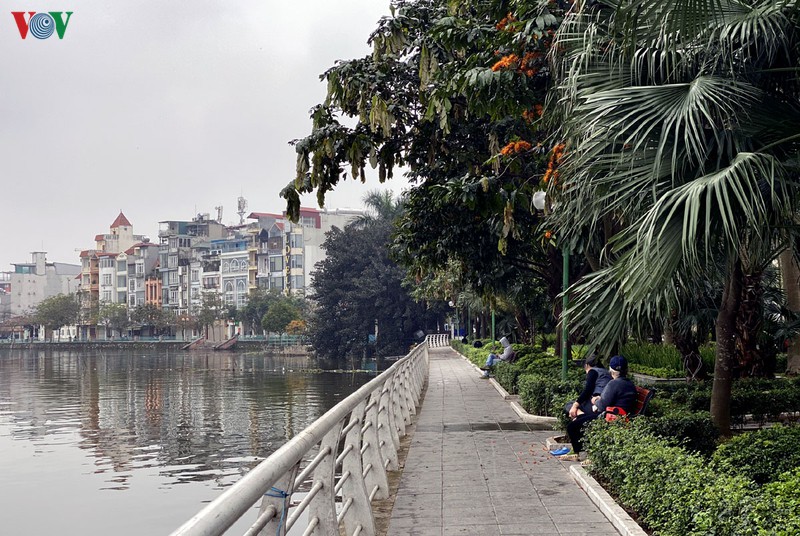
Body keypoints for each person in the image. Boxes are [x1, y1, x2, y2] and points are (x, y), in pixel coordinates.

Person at [554, 355, 637, 460]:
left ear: (611, 370)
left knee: (572, 426)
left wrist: (596, 400)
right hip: (621, 415)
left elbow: (600, 406)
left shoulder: (614, 383)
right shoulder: (629, 384)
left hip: (611, 416)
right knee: (580, 420)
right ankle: (581, 452)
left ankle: (578, 454)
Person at [564, 352, 612, 419]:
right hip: (608, 402)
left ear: (587, 365)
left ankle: (582, 417)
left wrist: (575, 405)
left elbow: (588, 390)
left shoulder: (592, 371)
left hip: (597, 403)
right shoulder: (607, 372)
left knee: (569, 405)